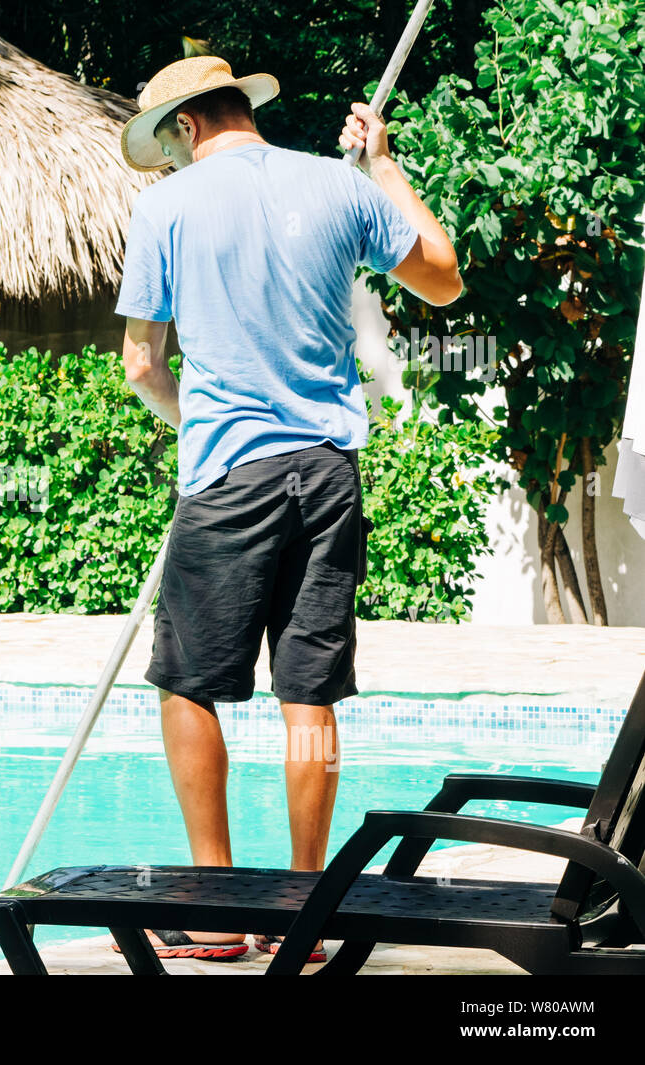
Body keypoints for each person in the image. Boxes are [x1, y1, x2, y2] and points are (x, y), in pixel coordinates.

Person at [113, 55, 462, 962]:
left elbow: (144, 366)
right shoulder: (333, 184)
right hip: (328, 470)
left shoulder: (164, 209)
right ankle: (306, 914)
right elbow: (445, 278)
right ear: (239, 109)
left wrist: (193, 425)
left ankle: (219, 908)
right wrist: (382, 164)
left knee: (187, 681)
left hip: (230, 474)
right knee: (308, 691)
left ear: (186, 127)